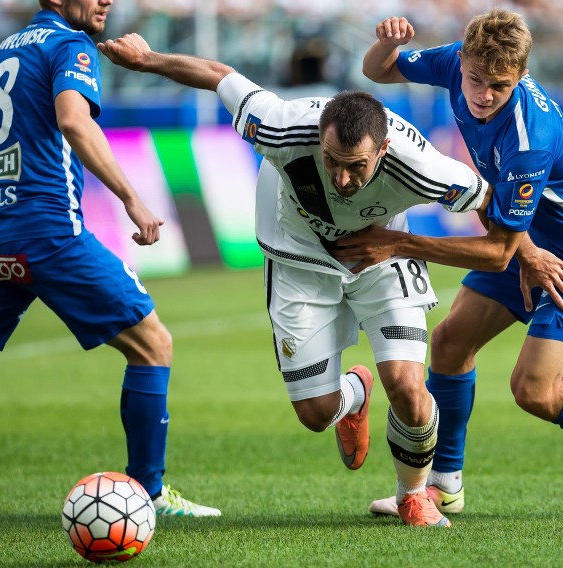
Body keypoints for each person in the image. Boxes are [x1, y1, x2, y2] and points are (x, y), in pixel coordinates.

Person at [97, 32, 491, 527]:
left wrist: (532, 253)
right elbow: (220, 76)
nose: (342, 179)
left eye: (357, 167)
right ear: (318, 137)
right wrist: (148, 60)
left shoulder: (425, 167)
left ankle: (413, 494)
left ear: (384, 149)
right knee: (314, 413)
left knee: (409, 387)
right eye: (331, 162)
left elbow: (494, 210)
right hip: (299, 260)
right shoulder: (283, 126)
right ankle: (354, 393)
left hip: (383, 257)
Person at [345, 9, 563, 517]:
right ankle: (444, 484)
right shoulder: (455, 62)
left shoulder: (528, 141)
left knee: (535, 391)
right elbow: (379, 71)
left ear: (522, 75)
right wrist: (384, 43)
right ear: (462, 59)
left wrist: (398, 244)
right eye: (475, 79)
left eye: (500, 85)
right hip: (532, 238)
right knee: (448, 344)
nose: (484, 94)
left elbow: (497, 250)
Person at [0, 0, 220, 518]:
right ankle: (149, 493)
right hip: (50, 234)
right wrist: (131, 198)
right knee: (152, 344)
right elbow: (74, 122)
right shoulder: (69, 45)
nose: (107, 0)